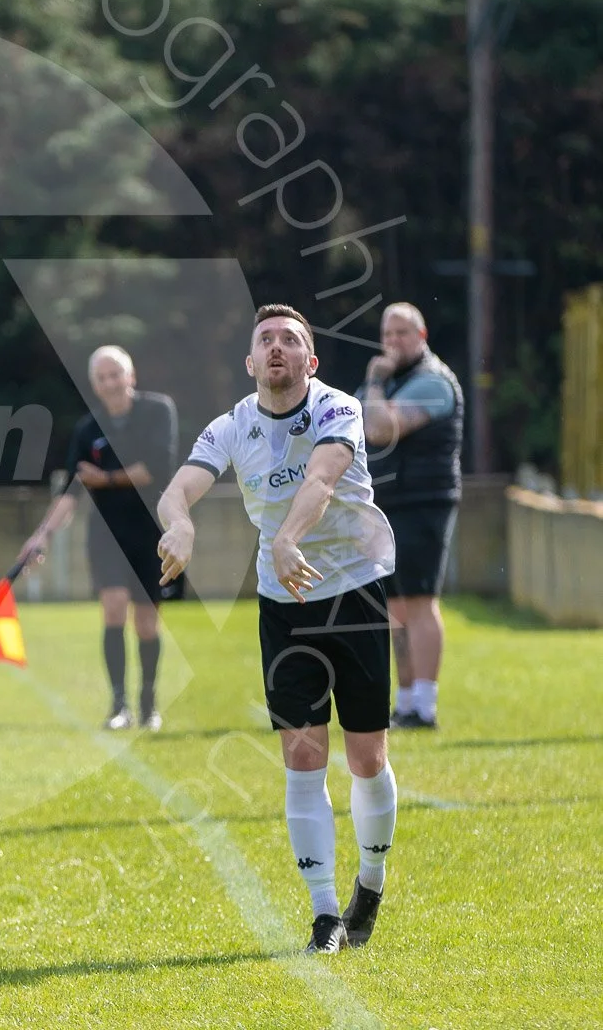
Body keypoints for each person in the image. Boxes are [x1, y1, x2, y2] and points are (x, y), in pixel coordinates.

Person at [156, 305, 399, 954]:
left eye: (290, 340)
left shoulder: (338, 408)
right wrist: (180, 523)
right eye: (265, 339)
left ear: (310, 361)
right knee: (302, 754)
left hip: (354, 591)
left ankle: (370, 883)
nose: (276, 348)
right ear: (250, 362)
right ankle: (325, 914)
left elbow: (321, 479)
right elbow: (176, 490)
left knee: (367, 756)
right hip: (284, 606)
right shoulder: (232, 425)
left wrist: (288, 537)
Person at [22, 346, 179, 731]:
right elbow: (72, 492)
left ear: (131, 376)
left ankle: (148, 705)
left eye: (115, 374)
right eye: (102, 378)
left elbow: (156, 469)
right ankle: (119, 706)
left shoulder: (158, 411)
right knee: (113, 609)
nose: (110, 383)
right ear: (94, 385)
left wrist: (105, 478)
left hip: (151, 532)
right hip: (106, 535)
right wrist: (41, 536)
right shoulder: (87, 429)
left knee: (147, 622)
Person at [357, 302, 464, 730]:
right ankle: (404, 704)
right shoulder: (392, 381)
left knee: (419, 601)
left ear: (422, 336)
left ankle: (425, 706)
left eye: (402, 333)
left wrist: (373, 381)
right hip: (390, 504)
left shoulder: (433, 382)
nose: (392, 342)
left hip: (424, 502)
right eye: (386, 334)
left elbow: (379, 429)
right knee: (395, 606)